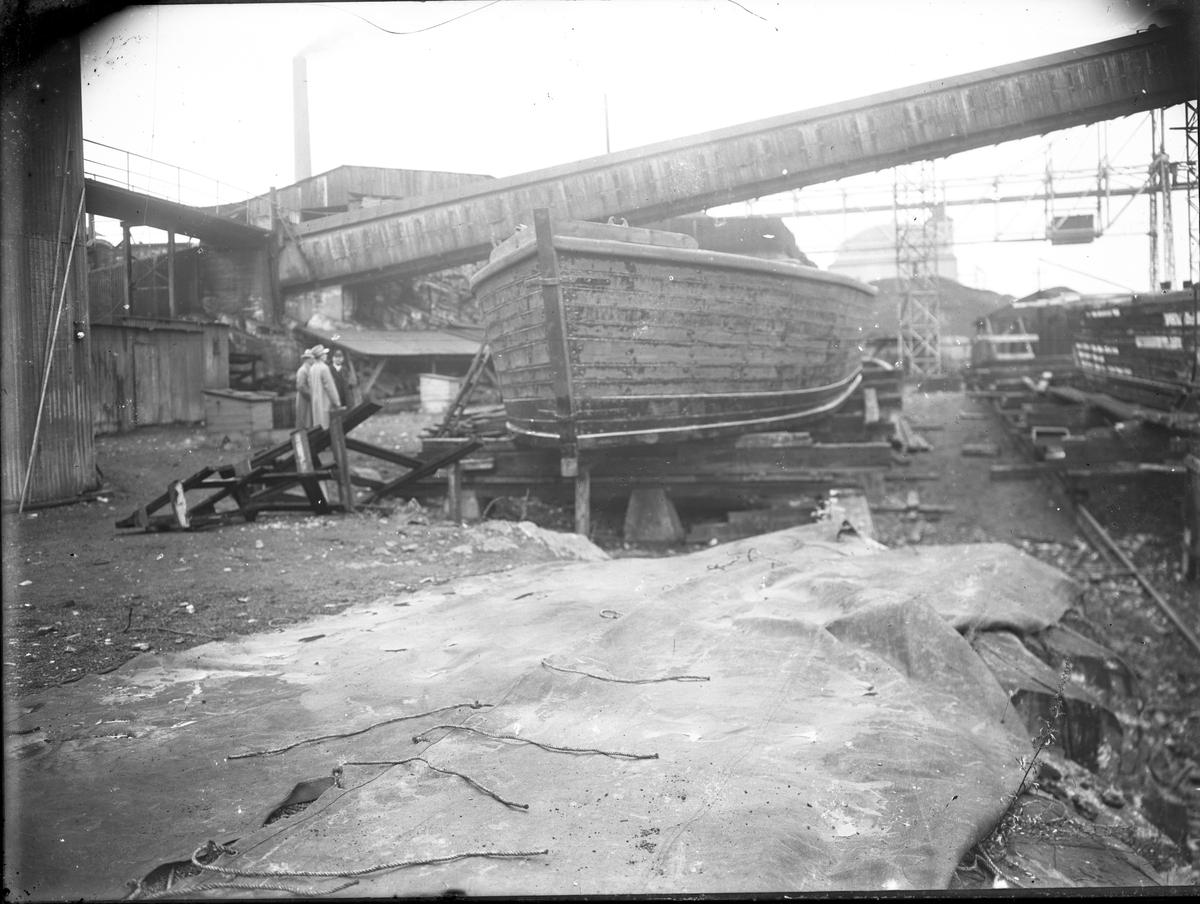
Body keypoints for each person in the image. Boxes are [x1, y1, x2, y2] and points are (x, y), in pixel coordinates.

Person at [307, 344, 341, 429]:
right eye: (324, 354)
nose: (326, 355)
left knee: (318, 426)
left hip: (315, 403)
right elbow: (330, 387)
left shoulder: (312, 368)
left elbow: (310, 387)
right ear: (321, 356)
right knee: (327, 427)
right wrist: (336, 402)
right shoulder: (324, 368)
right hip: (325, 402)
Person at [294, 348, 315, 430]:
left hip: (308, 397)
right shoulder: (302, 370)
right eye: (312, 358)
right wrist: (310, 395)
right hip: (304, 398)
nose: (313, 360)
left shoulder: (310, 368)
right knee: (304, 417)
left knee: (308, 418)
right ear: (308, 359)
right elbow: (300, 385)